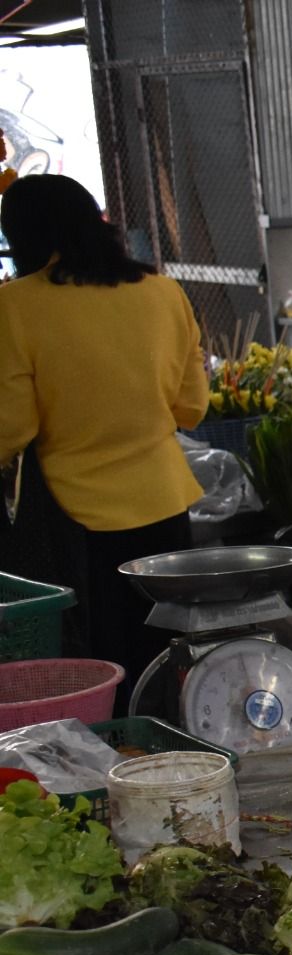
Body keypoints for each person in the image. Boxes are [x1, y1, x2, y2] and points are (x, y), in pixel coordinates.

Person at [0, 175, 206, 707]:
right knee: (165, 659)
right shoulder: (164, 292)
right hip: (165, 506)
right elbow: (192, 408)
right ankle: (174, 759)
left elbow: (11, 429)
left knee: (100, 669)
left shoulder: (16, 305)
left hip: (78, 522)